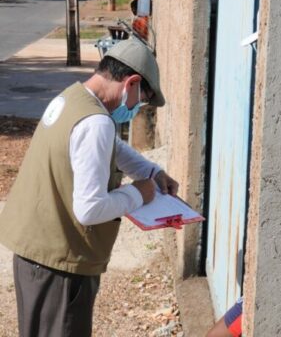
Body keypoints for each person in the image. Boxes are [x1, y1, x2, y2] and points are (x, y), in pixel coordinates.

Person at [0, 39, 178, 337]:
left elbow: (112, 147)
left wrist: (152, 171)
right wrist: (139, 193)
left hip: (35, 254)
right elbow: (90, 209)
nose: (136, 108)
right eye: (142, 100)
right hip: (61, 266)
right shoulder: (96, 122)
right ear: (131, 82)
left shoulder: (71, 99)